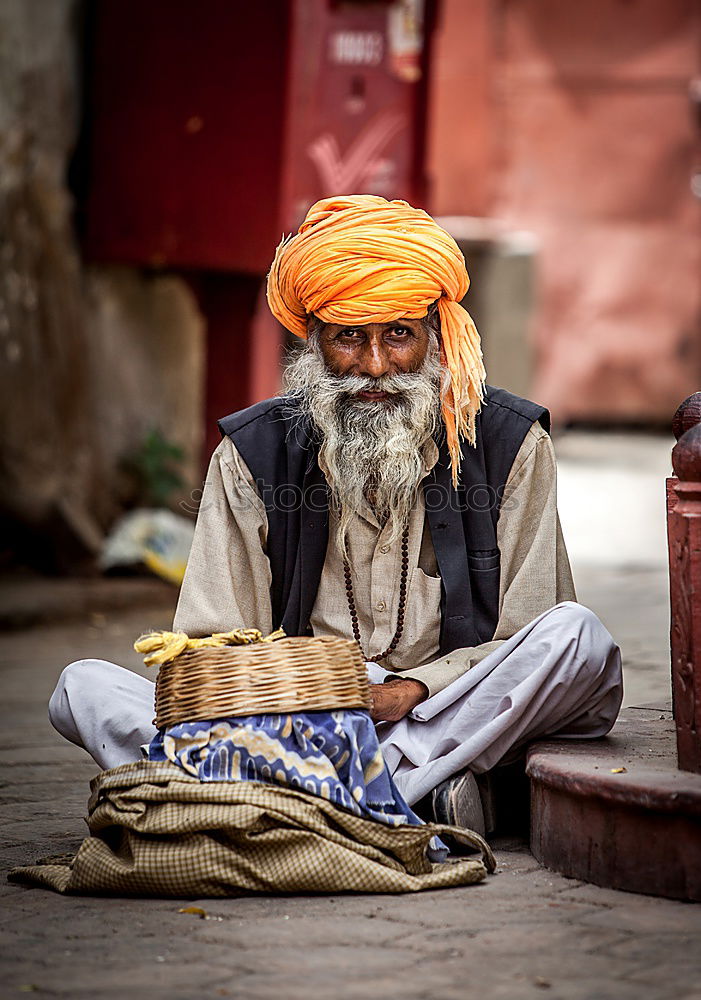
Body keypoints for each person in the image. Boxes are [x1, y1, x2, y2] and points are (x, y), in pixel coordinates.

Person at [48, 195, 622, 836]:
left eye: (398, 335)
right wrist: (309, 699)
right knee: (82, 688)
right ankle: (411, 794)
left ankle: (312, 794)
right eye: (349, 338)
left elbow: (529, 632)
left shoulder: (510, 443)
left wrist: (416, 692)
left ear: (436, 336)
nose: (375, 368)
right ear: (313, 347)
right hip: (299, 719)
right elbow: (213, 646)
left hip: (451, 707)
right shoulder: (251, 456)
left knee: (577, 639)